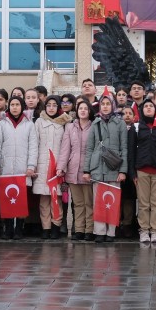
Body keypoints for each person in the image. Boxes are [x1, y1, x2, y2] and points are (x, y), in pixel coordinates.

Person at [82, 94, 128, 243]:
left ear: (113, 105)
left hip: (114, 167)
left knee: (112, 201)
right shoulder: (95, 123)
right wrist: (87, 170)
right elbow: (89, 148)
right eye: (103, 104)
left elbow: (124, 148)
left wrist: (123, 171)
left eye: (108, 104)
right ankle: (99, 231)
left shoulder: (120, 123)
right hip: (98, 167)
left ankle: (111, 232)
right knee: (99, 202)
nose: (106, 106)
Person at [0, 95, 38, 239]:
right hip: (6, 168)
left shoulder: (29, 124)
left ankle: (19, 229)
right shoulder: (2, 124)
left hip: (22, 170)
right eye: (12, 105)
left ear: (22, 107)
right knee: (7, 199)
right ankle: (8, 229)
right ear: (9, 106)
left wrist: (31, 166)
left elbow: (33, 147)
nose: (15, 107)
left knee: (21, 200)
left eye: (17, 104)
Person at [129, 99, 156, 244]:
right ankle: (144, 230)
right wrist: (132, 173)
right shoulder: (136, 127)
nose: (148, 108)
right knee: (143, 203)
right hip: (142, 170)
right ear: (142, 110)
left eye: (151, 106)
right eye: (145, 106)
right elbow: (131, 151)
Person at [58, 99, 96, 241]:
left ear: (89, 111)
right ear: (77, 111)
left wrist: (91, 169)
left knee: (89, 203)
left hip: (88, 169)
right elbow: (65, 149)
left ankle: (89, 229)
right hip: (73, 169)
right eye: (80, 108)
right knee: (78, 203)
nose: (83, 111)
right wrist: (61, 167)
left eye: (86, 108)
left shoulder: (94, 126)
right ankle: (79, 229)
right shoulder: (70, 127)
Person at [32, 97, 68, 238]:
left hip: (57, 165)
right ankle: (45, 228)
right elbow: (34, 144)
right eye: (49, 105)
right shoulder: (39, 122)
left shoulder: (64, 122)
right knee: (44, 199)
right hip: (42, 164)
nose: (51, 108)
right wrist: (33, 164)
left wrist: (63, 166)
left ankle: (56, 226)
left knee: (56, 198)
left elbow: (66, 146)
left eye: (54, 105)